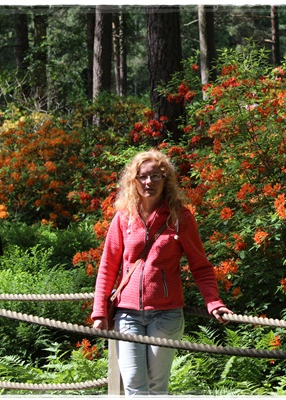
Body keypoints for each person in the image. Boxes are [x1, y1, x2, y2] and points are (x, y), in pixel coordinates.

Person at [91, 149, 233, 396]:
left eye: (156, 176)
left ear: (166, 180)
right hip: (127, 314)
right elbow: (107, 267)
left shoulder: (180, 217)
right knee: (134, 383)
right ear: (133, 180)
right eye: (143, 176)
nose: (149, 182)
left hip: (166, 314)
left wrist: (213, 302)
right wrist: (99, 311)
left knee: (157, 386)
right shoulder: (123, 218)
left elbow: (200, 266)